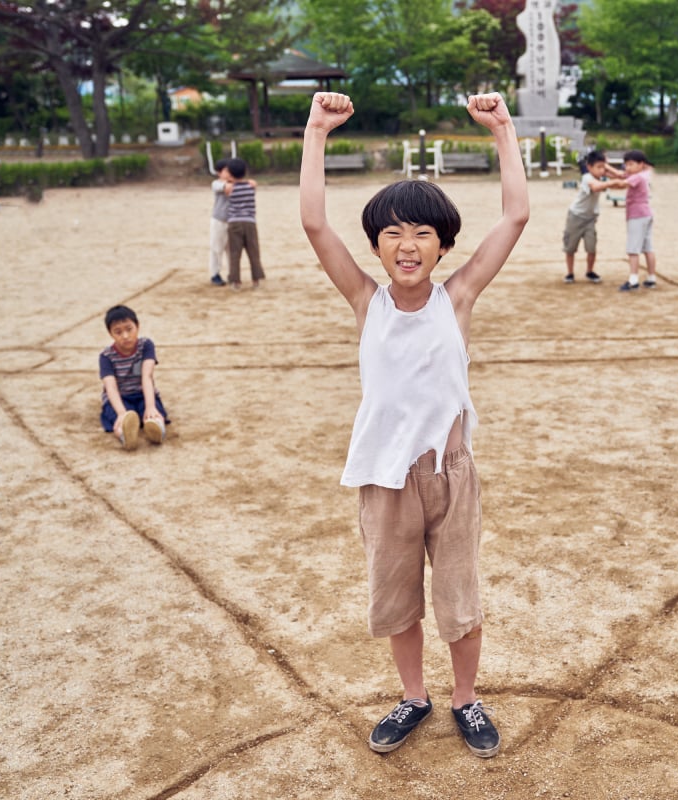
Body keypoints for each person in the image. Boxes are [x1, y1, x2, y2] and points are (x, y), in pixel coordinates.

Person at [300, 91, 528, 759]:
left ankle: (465, 699)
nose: (408, 244)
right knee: (397, 600)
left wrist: (503, 129)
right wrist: (317, 130)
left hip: (449, 476)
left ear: (444, 246)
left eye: (423, 233)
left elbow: (516, 214)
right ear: (375, 244)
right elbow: (315, 224)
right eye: (393, 233)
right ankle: (413, 697)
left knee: (459, 600)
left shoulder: (457, 296)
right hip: (385, 476)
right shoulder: (364, 299)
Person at [99, 305, 169, 450]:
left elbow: (147, 376)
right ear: (110, 334)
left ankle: (156, 429)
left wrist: (150, 406)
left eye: (129, 329)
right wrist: (121, 413)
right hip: (120, 397)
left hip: (143, 394)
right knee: (122, 420)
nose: (125, 336)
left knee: (154, 413)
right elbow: (110, 387)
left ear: (137, 326)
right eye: (118, 332)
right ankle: (125, 435)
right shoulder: (106, 356)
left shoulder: (146, 345)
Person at [562, 150, 623, 284]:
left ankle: (589, 271)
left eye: (603, 167)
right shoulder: (587, 177)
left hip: (590, 218)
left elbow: (620, 176)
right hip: (576, 216)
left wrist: (611, 171)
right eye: (598, 167)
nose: (602, 170)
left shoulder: (601, 176)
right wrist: (613, 182)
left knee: (591, 247)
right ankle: (570, 273)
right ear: (589, 167)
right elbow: (596, 187)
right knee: (570, 248)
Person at [607, 149, 658, 291]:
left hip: (637, 215)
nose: (627, 167)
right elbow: (620, 175)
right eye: (626, 164)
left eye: (631, 164)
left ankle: (633, 280)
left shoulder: (637, 177)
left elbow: (621, 183)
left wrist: (605, 184)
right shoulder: (644, 173)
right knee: (648, 248)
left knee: (633, 249)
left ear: (641, 164)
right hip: (646, 214)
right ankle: (651, 278)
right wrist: (606, 168)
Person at [223, 157, 265, 291]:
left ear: (230, 173)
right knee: (253, 251)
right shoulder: (251, 185)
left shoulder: (229, 188)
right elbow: (251, 183)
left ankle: (235, 282)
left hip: (234, 223)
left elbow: (226, 186)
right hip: (250, 222)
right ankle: (256, 280)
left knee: (234, 253)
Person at [208, 159, 230, 286]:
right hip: (218, 220)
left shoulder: (235, 183)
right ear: (219, 172)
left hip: (231, 221)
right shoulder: (216, 183)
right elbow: (225, 187)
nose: (228, 173)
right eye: (226, 170)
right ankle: (215, 274)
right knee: (216, 248)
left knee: (231, 250)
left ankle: (232, 274)